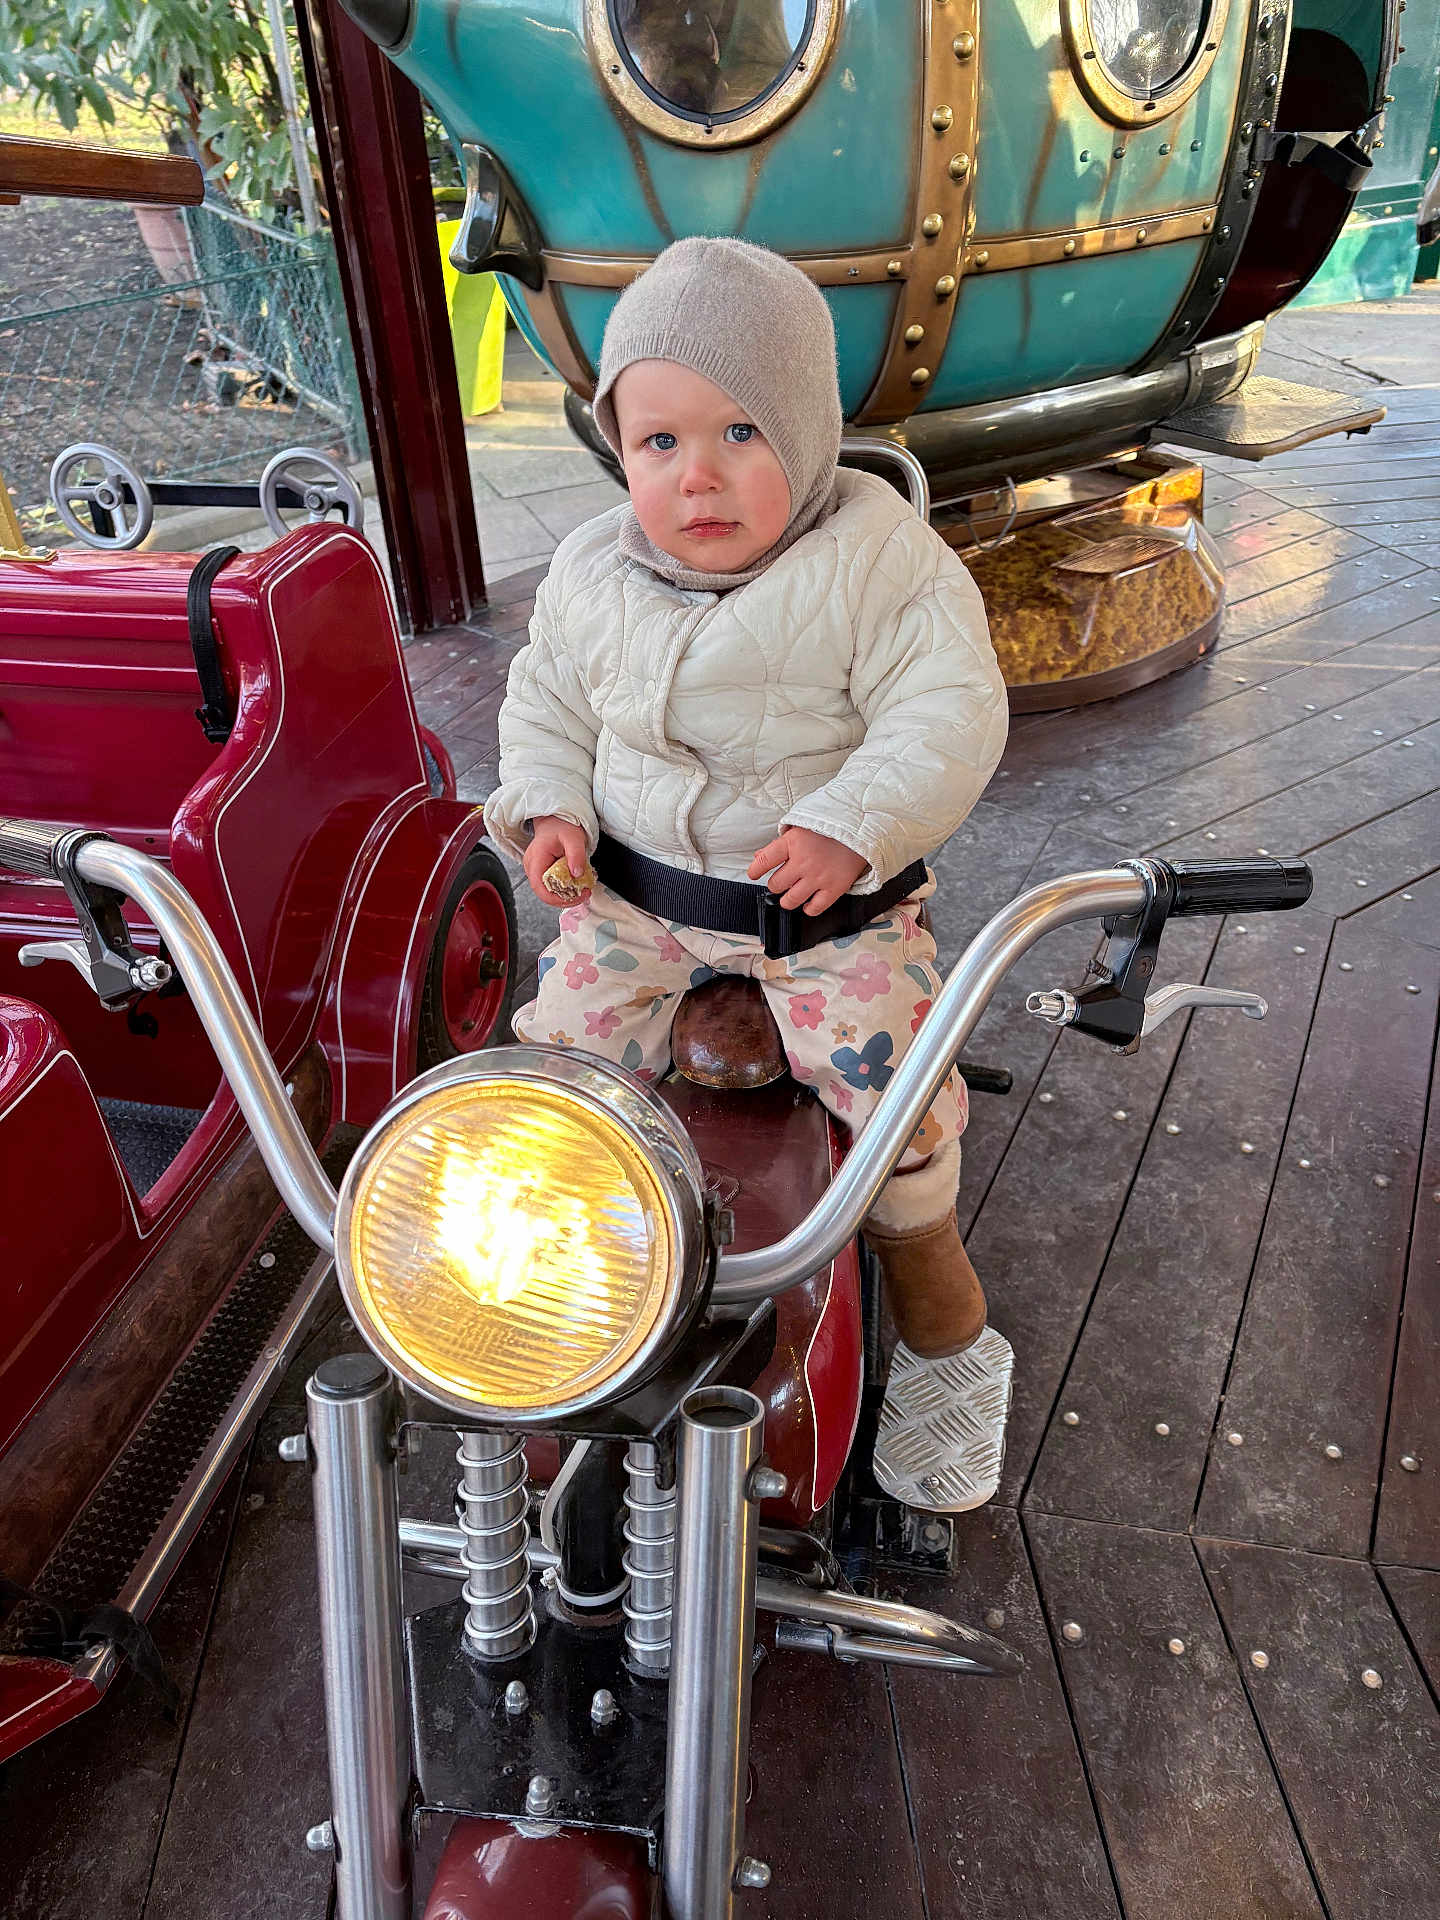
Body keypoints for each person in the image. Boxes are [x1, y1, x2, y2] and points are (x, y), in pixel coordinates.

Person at [483, 237, 1007, 1360]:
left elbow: (949, 712)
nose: (697, 475)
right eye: (658, 441)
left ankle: (930, 1273)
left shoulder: (883, 563)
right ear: (618, 449)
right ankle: (561, 1254)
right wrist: (553, 808)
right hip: (638, 902)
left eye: (741, 432)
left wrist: (851, 823)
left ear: (810, 434)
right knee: (558, 1062)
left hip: (821, 914)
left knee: (897, 1083)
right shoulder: (587, 570)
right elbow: (549, 702)